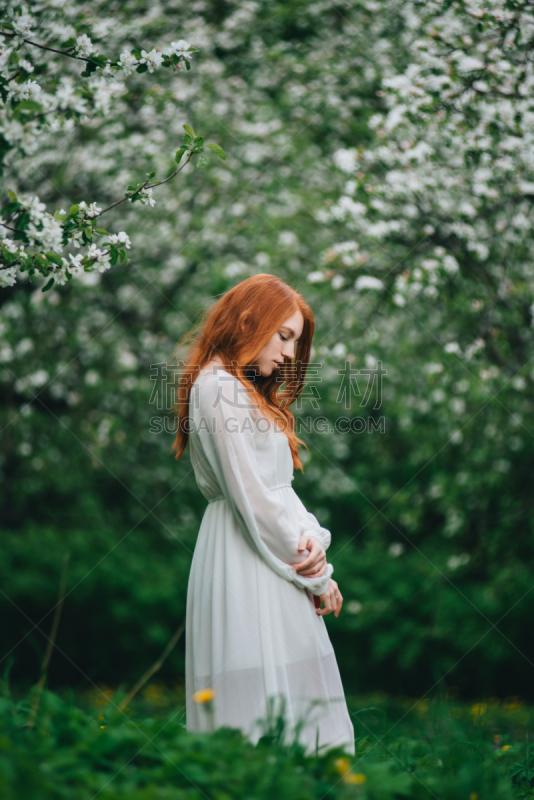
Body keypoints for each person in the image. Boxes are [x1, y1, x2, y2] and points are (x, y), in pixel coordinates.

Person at [171, 273, 355, 755]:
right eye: (285, 335)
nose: (291, 354)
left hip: (270, 553)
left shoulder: (242, 388)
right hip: (243, 555)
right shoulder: (216, 388)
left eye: (295, 340)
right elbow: (251, 498)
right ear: (249, 321)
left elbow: (279, 491)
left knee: (306, 715)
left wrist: (314, 539)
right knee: (249, 723)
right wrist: (317, 575)